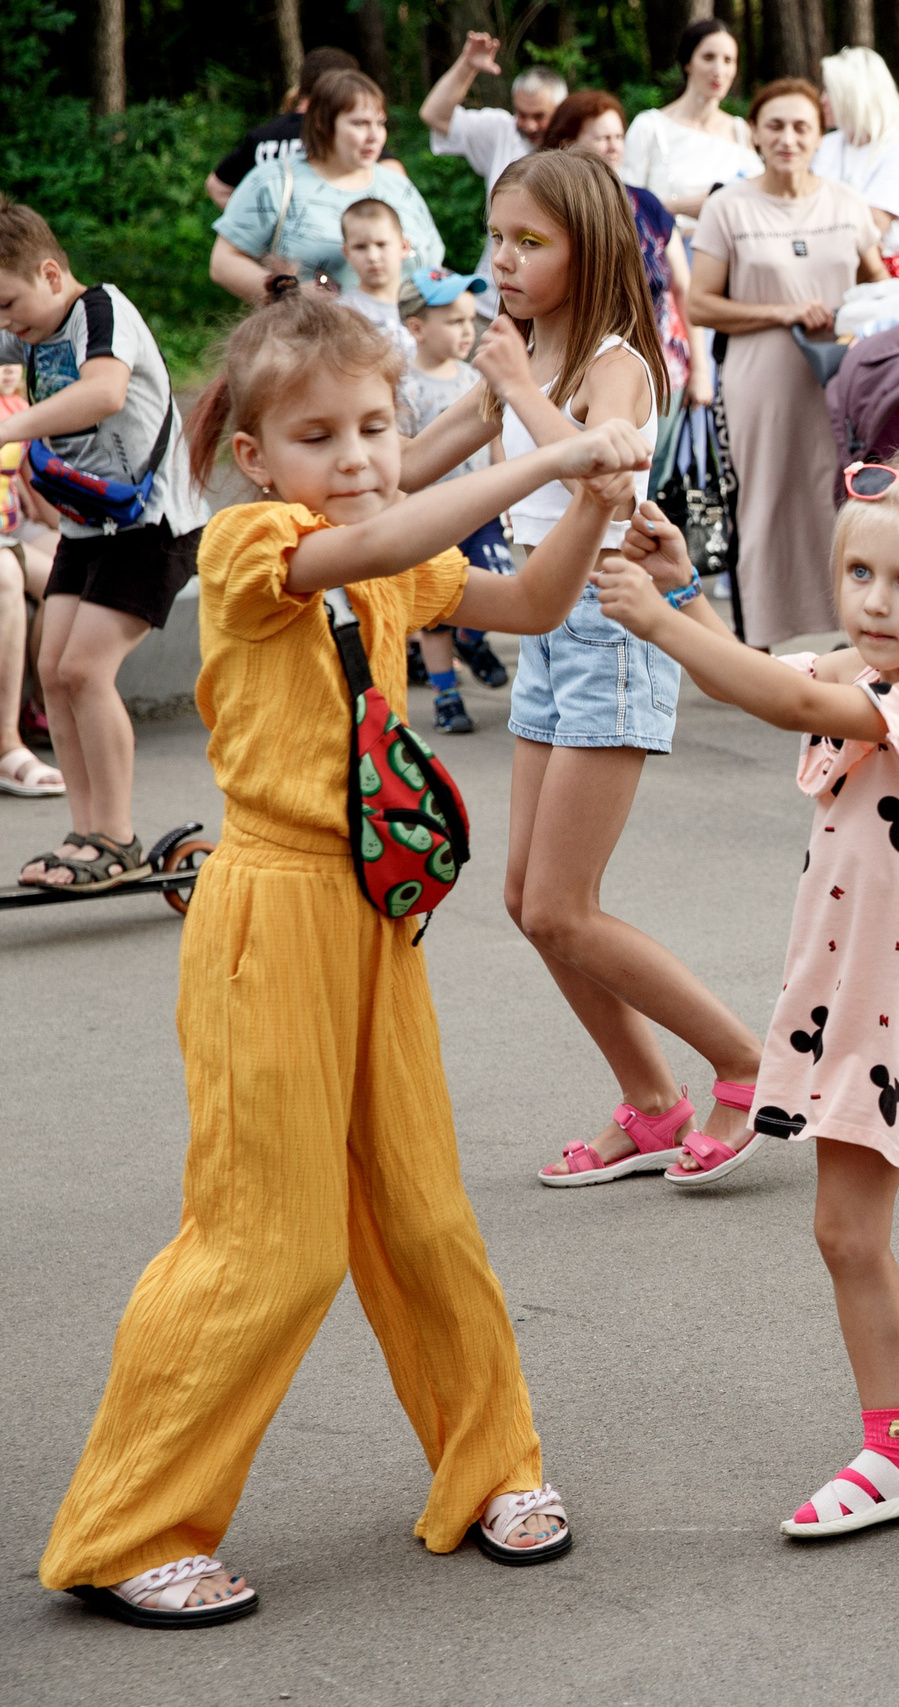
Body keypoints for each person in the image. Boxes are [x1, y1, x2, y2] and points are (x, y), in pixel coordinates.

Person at [39, 282, 652, 1629]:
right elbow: (382, 541)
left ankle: (494, 1466)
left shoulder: (384, 541)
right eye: (322, 435)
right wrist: (546, 449)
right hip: (267, 915)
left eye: (379, 426)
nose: (363, 457)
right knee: (272, 1237)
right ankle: (135, 1522)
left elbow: (534, 602)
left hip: (376, 916)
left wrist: (596, 504)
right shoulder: (251, 542)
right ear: (257, 456)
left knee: (427, 1212)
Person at [594, 448, 899, 1541]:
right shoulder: (853, 671)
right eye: (859, 574)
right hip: (842, 1005)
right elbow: (762, 666)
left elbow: (781, 697)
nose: (875, 602)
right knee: (844, 1235)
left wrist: (663, 625)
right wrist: (683, 593)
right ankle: (895, 1452)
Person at [400, 150, 768, 1189]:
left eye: (530, 242)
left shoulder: (610, 361)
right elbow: (411, 467)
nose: (503, 261)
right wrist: (314, 481)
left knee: (565, 905)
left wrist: (516, 383)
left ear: (588, 247)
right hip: (544, 627)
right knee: (528, 899)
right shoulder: (527, 355)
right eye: (497, 237)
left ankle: (748, 1063)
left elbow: (604, 469)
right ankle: (652, 1106)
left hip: (612, 624)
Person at [0, 200, 210, 891]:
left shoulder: (101, 311)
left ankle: (117, 836)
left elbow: (103, 394)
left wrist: (13, 429)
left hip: (153, 527)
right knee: (56, 668)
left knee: (87, 671)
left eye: (9, 303)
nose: (7, 322)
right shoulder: (26, 334)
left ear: (52, 273)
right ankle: (86, 834)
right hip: (91, 527)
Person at [689, 79, 887, 652]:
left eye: (801, 126)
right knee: (767, 498)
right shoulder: (728, 205)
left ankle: (856, 630)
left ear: (820, 134)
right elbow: (700, 303)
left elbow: (880, 281)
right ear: (753, 132)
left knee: (845, 495)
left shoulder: (846, 203)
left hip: (841, 376)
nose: (787, 138)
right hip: (763, 375)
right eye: (774, 125)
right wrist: (784, 312)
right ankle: (762, 641)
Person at [538, 89, 717, 464]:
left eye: (618, 136)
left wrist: (701, 370)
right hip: (580, 366)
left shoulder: (645, 204)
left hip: (663, 366)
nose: (613, 146)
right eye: (601, 137)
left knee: (649, 474)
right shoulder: (552, 209)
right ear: (568, 143)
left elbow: (682, 289)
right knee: (590, 471)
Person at [211, 68, 444, 301]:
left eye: (380, 123)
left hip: (404, 333)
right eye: (360, 123)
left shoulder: (397, 185)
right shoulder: (275, 181)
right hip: (313, 333)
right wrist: (291, 295)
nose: (374, 136)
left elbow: (433, 264)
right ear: (323, 122)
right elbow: (224, 263)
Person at [398, 268, 511, 734]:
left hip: (481, 510)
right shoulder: (405, 386)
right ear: (418, 328)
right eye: (454, 321)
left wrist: (507, 489)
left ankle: (473, 637)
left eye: (470, 320)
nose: (468, 330)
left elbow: (496, 438)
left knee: (497, 583)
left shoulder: (477, 378)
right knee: (435, 610)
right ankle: (446, 694)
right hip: (430, 516)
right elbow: (400, 451)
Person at [420, 31, 566, 287]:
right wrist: (467, 65)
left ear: (561, 110)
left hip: (551, 293)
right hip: (492, 293)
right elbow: (434, 114)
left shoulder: (576, 147)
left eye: (539, 116)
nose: (529, 124)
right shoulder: (502, 130)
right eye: (522, 113)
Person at [622, 20, 761, 232]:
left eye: (728, 60)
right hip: (669, 252)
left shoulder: (741, 131)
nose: (719, 70)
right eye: (708, 57)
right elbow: (624, 207)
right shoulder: (650, 127)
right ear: (688, 63)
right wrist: (681, 207)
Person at [205, 48, 384, 213]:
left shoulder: (262, 136)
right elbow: (391, 176)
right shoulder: (338, 135)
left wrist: (254, 230)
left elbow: (217, 187)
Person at [0, 356, 63, 798]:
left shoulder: (22, 410)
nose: (6, 368)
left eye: (12, 360)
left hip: (12, 526)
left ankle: (46, 705)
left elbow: (29, 480)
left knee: (70, 571)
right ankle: (6, 745)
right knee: (5, 576)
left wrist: (68, 527)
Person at [815, 47, 899, 284]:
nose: (822, 99)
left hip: (885, 273)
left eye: (830, 91)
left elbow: (873, 225)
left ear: (854, 95)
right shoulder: (827, 145)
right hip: (826, 267)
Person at [334, 198, 415, 364]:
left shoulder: (425, 305)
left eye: (381, 244)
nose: (373, 257)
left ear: (404, 246)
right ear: (346, 253)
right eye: (360, 247)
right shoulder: (341, 315)